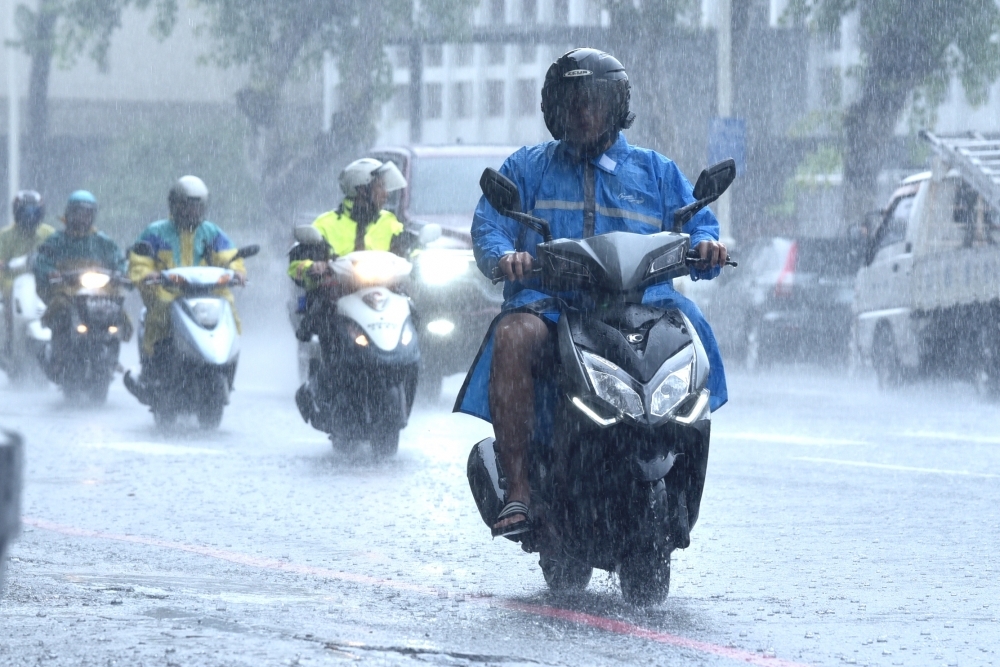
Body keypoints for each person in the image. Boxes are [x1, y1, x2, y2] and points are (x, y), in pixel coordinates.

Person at [454, 48, 730, 539]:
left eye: (592, 100)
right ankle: (518, 487)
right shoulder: (527, 168)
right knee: (513, 335)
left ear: (616, 105)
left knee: (692, 331)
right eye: (571, 100)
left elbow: (698, 222)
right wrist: (504, 257)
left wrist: (708, 247)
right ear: (552, 109)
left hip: (644, 306)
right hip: (553, 308)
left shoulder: (654, 171)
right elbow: (489, 225)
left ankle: (683, 471)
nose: (581, 111)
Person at [124, 176, 245, 402]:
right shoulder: (156, 232)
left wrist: (237, 271)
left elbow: (231, 257)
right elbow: (138, 260)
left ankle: (227, 369)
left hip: (208, 294)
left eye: (197, 206)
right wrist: (147, 273)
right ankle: (153, 370)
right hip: (170, 294)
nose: (192, 211)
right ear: (174, 205)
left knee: (230, 310)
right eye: (187, 205)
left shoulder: (211, 233)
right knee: (160, 312)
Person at [288, 158, 408, 341]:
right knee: (321, 312)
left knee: (412, 309)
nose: (386, 194)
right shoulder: (325, 224)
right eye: (380, 187)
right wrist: (312, 267)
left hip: (384, 294)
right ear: (362, 189)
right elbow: (298, 260)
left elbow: (407, 246)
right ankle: (321, 358)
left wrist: (418, 256)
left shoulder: (389, 222)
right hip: (341, 295)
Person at [33, 191, 129, 355]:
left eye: (87, 213)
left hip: (99, 292)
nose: (83, 218)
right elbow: (42, 261)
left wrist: (122, 273)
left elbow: (119, 260)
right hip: (66, 289)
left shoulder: (102, 241)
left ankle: (114, 348)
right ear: (69, 214)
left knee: (118, 311)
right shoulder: (56, 240)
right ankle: (56, 346)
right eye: (78, 213)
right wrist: (51, 273)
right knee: (60, 306)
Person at [0, 191, 55, 356]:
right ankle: (9, 341)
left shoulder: (49, 233)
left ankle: (61, 340)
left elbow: (61, 254)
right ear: (17, 213)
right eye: (25, 213)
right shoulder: (5, 235)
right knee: (7, 304)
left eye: (35, 213)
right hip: (12, 282)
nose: (30, 217)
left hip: (44, 282)